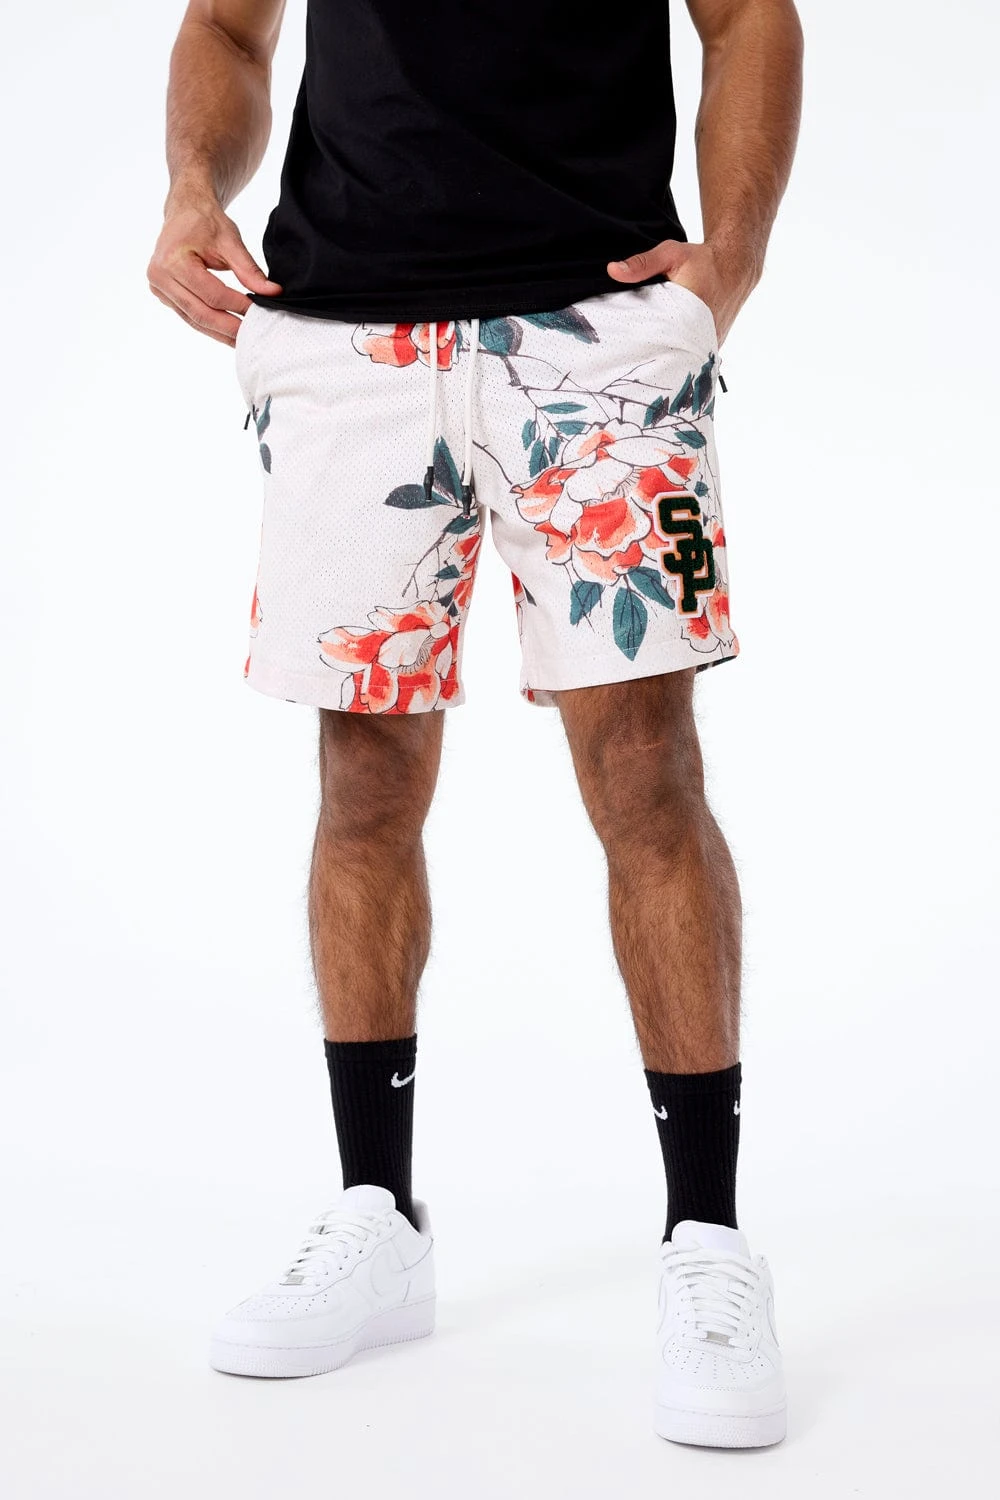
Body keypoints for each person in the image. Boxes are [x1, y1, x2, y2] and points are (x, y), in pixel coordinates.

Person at [148, 0, 802, 1449]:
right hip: (345, 337)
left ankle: (708, 1238)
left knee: (645, 769)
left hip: (599, 336)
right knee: (363, 779)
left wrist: (735, 255)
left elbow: (749, 13)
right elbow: (228, 30)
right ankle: (377, 1214)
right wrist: (193, 189)